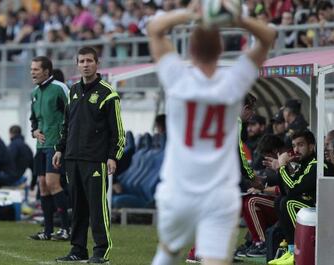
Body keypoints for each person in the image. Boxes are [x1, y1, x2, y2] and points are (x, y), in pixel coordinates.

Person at [147, 2, 276, 265]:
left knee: (169, 252)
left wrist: (191, 13)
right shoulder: (233, 82)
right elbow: (268, 37)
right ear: (221, 50)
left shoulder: (178, 79)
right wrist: (238, 18)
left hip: (179, 189)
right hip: (219, 193)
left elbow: (155, 30)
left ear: (190, 50)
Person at [52, 46, 125, 264]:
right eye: (82, 61)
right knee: (78, 208)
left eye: (89, 61)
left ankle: (101, 251)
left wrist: (113, 156)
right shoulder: (72, 91)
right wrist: (59, 149)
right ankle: (78, 250)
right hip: (72, 158)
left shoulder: (108, 94)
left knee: (97, 208)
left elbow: (118, 132)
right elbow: (67, 125)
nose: (85, 65)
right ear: (77, 64)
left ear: (97, 63)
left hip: (95, 160)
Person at [29, 56, 70, 241]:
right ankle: (47, 231)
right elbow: (33, 119)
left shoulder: (60, 88)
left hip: (55, 145)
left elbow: (72, 113)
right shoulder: (35, 92)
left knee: (54, 184)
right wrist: (35, 131)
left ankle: (66, 229)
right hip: (40, 146)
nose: (32, 72)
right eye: (32, 69)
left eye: (36, 69)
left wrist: (65, 140)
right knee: (43, 187)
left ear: (47, 71)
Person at [267, 130, 319, 265]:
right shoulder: (304, 164)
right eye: (294, 146)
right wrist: (281, 169)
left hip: (322, 212)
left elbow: (292, 189)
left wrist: (283, 166)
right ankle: (291, 250)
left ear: (312, 146)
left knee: (288, 203)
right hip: (312, 209)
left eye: (300, 145)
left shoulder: (315, 165)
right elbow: (285, 189)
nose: (296, 150)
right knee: (280, 200)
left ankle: (299, 251)